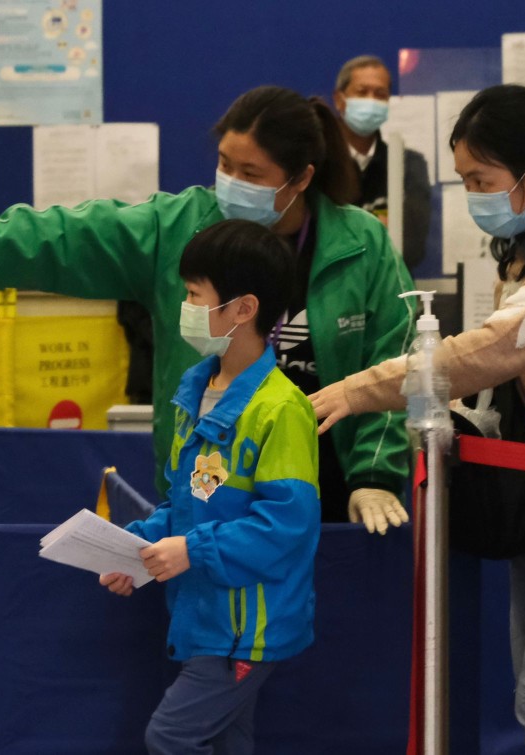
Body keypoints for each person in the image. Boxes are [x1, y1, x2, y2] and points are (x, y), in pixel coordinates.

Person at [0, 85, 416, 535]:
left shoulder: (359, 245)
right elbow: (63, 236)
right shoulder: (173, 228)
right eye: (225, 165)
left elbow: (392, 359)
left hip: (331, 494)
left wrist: (374, 476)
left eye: (252, 175)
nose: (231, 184)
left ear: (301, 180)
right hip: (208, 487)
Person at [310, 84, 525, 753]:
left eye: (482, 178)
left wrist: (362, 388)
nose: (473, 193)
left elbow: (493, 349)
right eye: (466, 178)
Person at [99, 219, 320, 754]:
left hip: (247, 631)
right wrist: (138, 549)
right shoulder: (196, 390)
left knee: (171, 737)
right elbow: (184, 503)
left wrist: (190, 551)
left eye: (196, 294)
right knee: (226, 743)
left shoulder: (281, 409)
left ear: (243, 309)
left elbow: (286, 525)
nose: (185, 306)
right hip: (204, 619)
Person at [333, 55, 431, 271]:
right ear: (339, 99)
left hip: (392, 289)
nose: (371, 100)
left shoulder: (409, 165)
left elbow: (412, 247)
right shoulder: (320, 162)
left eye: (380, 94)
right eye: (361, 92)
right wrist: (379, 232)